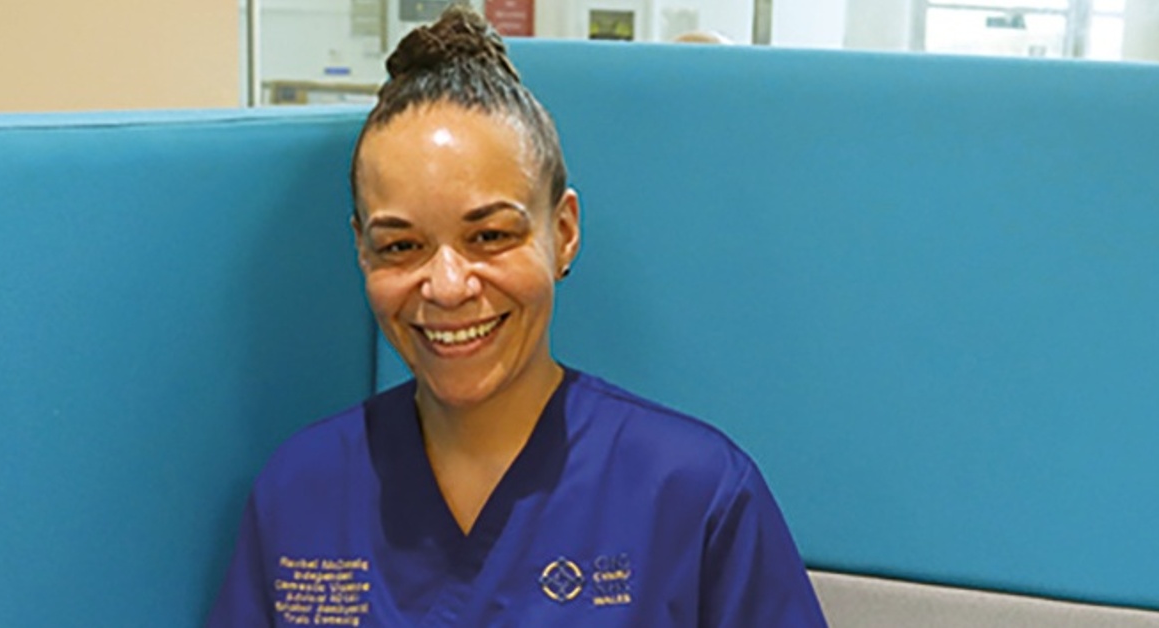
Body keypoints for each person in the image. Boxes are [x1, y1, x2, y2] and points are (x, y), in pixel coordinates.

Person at [206, 5, 827, 627]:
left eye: (490, 236)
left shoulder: (693, 496)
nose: (447, 287)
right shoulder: (301, 492)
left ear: (563, 233)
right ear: (362, 251)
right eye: (401, 246)